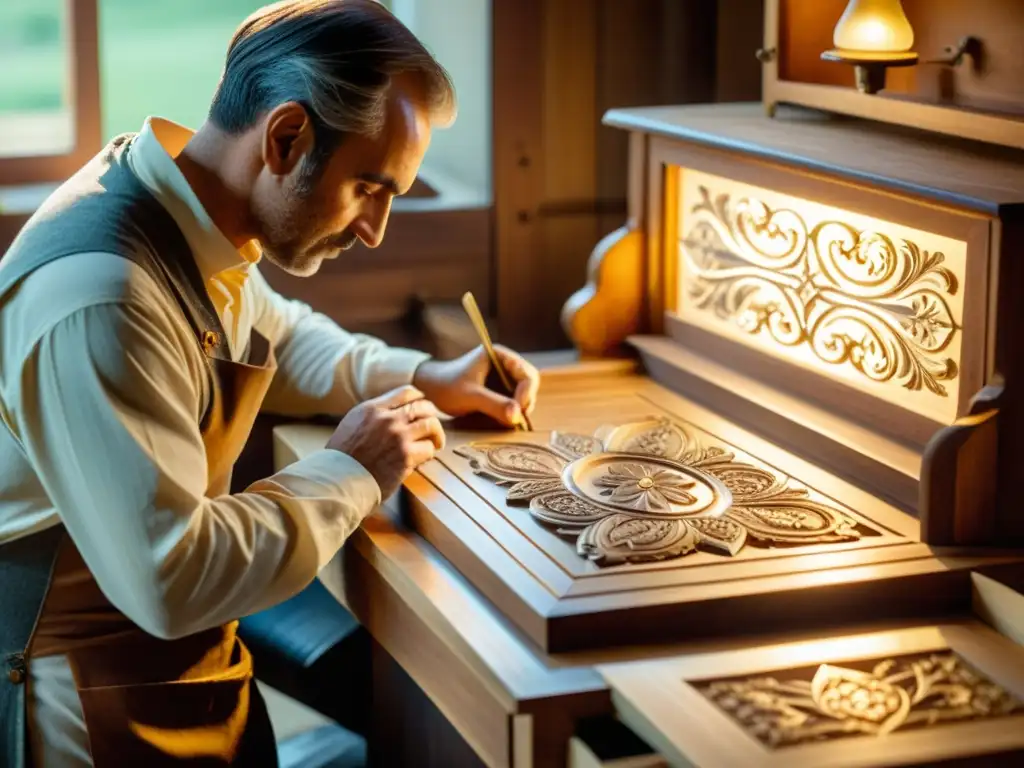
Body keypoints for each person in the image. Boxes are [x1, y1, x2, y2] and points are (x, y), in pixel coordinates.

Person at [0, 1, 539, 765]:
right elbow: (170, 581)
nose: (374, 229)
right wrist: (351, 468)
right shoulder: (103, 297)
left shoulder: (183, 208)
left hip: (172, 669)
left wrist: (429, 375)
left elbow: (277, 334)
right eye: (369, 187)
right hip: (80, 707)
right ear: (286, 138)